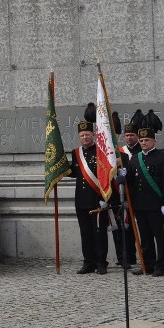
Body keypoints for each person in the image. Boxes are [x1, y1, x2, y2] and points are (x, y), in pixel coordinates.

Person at [127, 111, 164, 277]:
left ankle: (160, 266)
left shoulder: (163, 158)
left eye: (147, 140)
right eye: (141, 140)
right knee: (145, 238)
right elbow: (132, 183)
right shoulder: (134, 159)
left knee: (159, 238)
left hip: (156, 205)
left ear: (154, 140)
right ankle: (147, 264)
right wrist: (122, 178)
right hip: (140, 205)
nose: (144, 142)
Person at [67, 104, 111, 275]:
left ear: (93, 135)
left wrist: (105, 197)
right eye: (82, 135)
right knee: (85, 234)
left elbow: (105, 175)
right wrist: (58, 170)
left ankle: (101, 262)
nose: (84, 137)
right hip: (81, 200)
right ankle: (88, 262)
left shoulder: (101, 151)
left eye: (87, 135)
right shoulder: (76, 152)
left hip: (97, 199)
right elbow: (75, 171)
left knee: (99, 233)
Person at [113, 112, 142, 268]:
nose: (129, 138)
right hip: (124, 195)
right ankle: (128, 257)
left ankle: (145, 258)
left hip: (140, 194)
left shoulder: (141, 151)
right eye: (127, 135)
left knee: (143, 228)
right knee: (126, 227)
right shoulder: (120, 152)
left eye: (132, 135)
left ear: (137, 136)